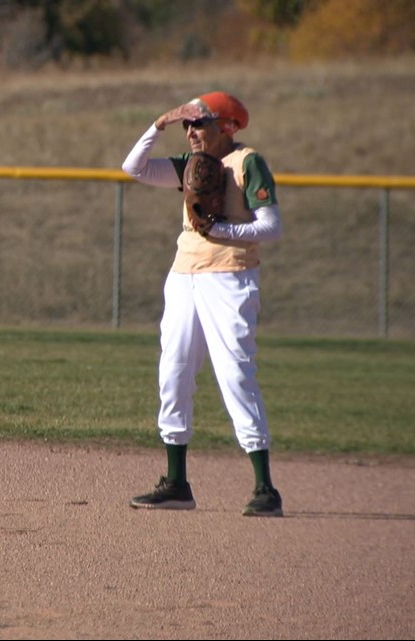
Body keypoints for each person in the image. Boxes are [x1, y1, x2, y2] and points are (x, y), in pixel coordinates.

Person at [120, 91, 284, 517]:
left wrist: (222, 230)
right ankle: (176, 484)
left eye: (200, 123)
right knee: (172, 373)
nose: (191, 131)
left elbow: (271, 225)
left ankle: (265, 488)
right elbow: (133, 168)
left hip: (230, 278)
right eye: (187, 125)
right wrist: (161, 122)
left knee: (235, 375)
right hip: (183, 278)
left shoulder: (247, 161)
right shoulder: (191, 165)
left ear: (227, 127)